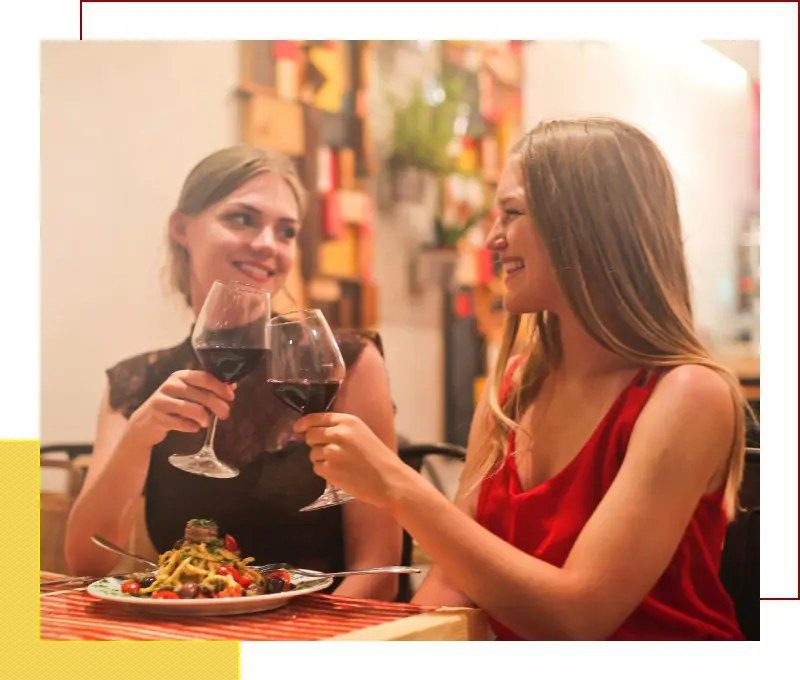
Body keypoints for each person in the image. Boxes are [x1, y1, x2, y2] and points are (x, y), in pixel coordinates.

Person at [294, 118, 747, 638]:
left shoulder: (689, 394)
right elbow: (453, 579)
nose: (491, 238)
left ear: (586, 225)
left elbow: (578, 619)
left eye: (511, 212)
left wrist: (396, 486)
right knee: (194, 669)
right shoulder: (515, 384)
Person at [65, 146, 401, 600]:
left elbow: (377, 572)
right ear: (181, 228)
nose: (267, 244)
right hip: (187, 640)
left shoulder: (343, 362)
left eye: (286, 231)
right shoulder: (135, 382)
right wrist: (139, 436)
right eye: (242, 219)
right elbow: (87, 562)